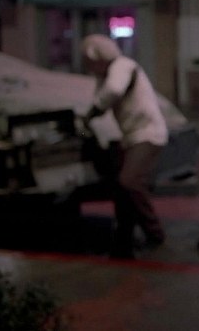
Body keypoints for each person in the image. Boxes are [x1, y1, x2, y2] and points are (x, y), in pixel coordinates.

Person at [80, 34, 168, 259]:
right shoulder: (107, 74)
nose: (88, 67)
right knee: (120, 189)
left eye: (89, 62)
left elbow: (112, 92)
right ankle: (123, 239)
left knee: (129, 181)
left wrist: (91, 113)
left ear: (97, 58)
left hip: (148, 134)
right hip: (132, 136)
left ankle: (155, 233)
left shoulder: (122, 66)